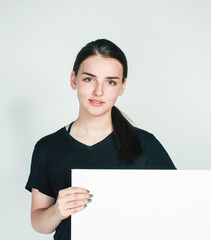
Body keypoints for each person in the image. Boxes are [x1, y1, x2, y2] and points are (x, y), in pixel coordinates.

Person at [25, 38, 176, 240]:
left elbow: (176, 208)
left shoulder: (145, 145)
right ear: (73, 79)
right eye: (89, 79)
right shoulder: (47, 147)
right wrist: (57, 211)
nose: (99, 91)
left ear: (122, 87)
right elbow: (39, 223)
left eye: (111, 82)